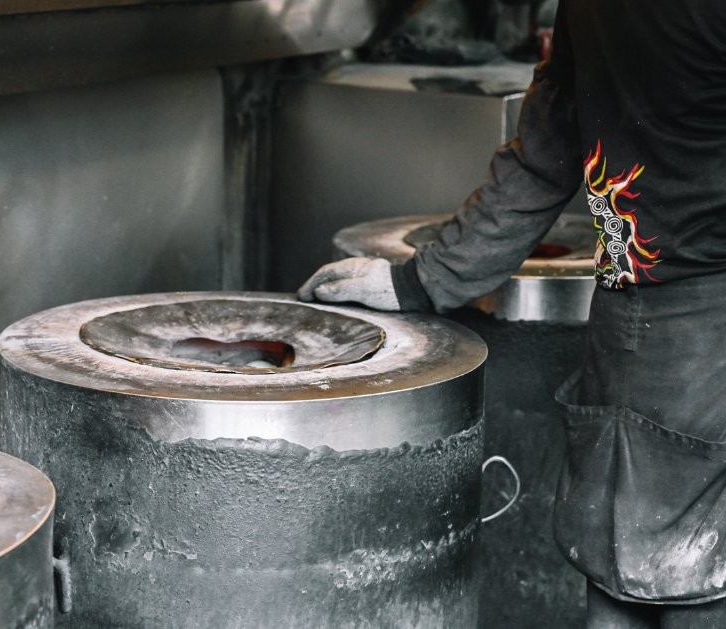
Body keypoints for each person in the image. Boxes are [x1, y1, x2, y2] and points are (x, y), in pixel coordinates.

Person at [299, 2, 726, 627]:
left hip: (672, 323)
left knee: (658, 576)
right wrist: (420, 279)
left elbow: (544, 146)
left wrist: (424, 278)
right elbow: (550, 141)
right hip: (658, 326)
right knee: (646, 569)